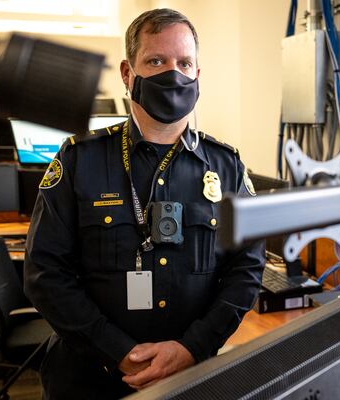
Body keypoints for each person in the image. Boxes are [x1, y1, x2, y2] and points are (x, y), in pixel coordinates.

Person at [24, 8, 265, 399]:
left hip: (193, 378)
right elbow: (45, 273)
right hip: (90, 378)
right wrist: (118, 352)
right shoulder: (78, 159)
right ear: (127, 73)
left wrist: (192, 348)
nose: (173, 73)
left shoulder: (227, 167)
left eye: (184, 63)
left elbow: (247, 270)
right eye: (156, 61)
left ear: (197, 75)